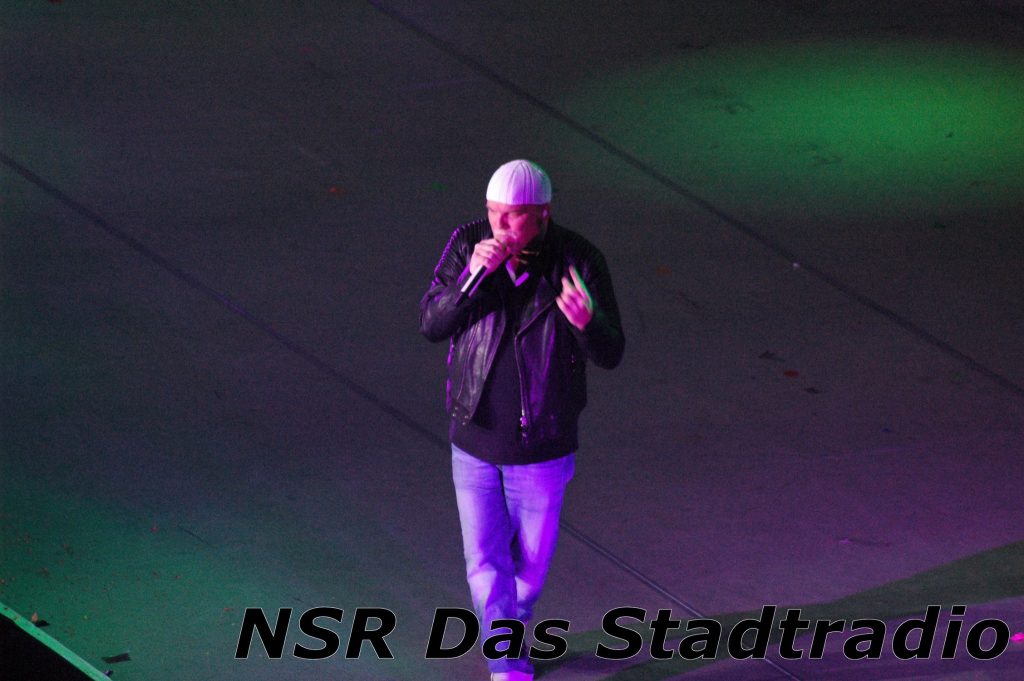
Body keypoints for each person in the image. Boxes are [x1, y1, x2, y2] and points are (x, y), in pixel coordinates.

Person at [419, 159, 624, 681]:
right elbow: (432, 323)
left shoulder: (578, 258)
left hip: (543, 446)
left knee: (529, 566)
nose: (501, 226)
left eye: (514, 216)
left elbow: (611, 351)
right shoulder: (468, 244)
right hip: (475, 440)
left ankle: (513, 623)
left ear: (543, 214)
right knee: (485, 560)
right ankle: (505, 657)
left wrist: (587, 323)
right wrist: (470, 280)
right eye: (494, 213)